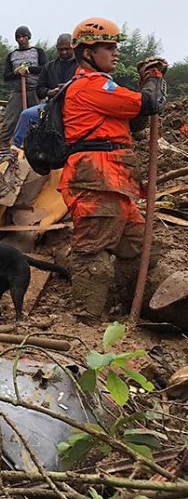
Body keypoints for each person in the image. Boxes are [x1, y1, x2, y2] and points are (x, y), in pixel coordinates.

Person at [60, 17, 167, 322]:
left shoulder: (103, 88)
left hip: (117, 181)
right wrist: (154, 75)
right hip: (96, 180)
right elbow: (149, 103)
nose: (115, 52)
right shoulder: (91, 86)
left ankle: (131, 305)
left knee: (138, 247)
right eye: (107, 46)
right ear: (87, 53)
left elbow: (136, 118)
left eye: (115, 46)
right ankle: (86, 322)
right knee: (93, 253)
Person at [12, 33, 78, 147]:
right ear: (57, 48)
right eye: (61, 49)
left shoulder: (81, 66)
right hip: (51, 106)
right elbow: (40, 89)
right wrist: (50, 92)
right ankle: (15, 149)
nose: (64, 52)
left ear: (74, 47)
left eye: (67, 49)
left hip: (76, 108)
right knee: (26, 115)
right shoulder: (49, 67)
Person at [0, 26, 48, 145]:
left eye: (23, 37)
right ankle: (3, 145)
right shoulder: (12, 55)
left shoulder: (38, 52)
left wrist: (29, 69)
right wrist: (16, 72)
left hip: (35, 90)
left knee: (39, 117)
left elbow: (45, 69)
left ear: (28, 37)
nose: (21, 39)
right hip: (18, 92)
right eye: (18, 37)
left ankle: (39, 145)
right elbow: (6, 76)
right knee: (10, 120)